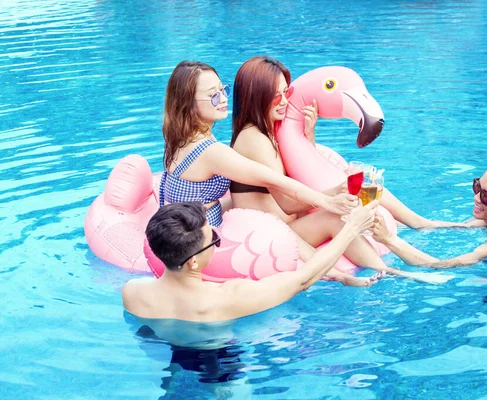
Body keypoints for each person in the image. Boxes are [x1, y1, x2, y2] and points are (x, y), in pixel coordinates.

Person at [230, 56, 452, 285]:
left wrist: (308, 136)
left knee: (362, 186)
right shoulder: (253, 139)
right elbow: (286, 203)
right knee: (335, 218)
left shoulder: (268, 133)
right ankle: (392, 271)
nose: (285, 101)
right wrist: (334, 193)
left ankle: (419, 223)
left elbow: (298, 175)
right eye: (277, 96)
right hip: (274, 233)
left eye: (287, 92)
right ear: (256, 97)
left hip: (290, 221)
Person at [159, 60, 382, 287]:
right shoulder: (212, 151)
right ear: (188, 104)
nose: (224, 100)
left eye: (222, 90)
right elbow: (273, 179)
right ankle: (350, 274)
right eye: (213, 96)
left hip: (191, 220)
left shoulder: (179, 137)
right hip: (199, 239)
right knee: (294, 223)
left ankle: (341, 273)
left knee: (271, 217)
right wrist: (326, 199)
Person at [121, 201, 380, 322]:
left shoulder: (133, 292)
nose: (217, 241)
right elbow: (304, 279)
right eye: (215, 241)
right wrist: (351, 228)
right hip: (221, 370)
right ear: (193, 263)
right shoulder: (227, 298)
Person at [372, 155, 487, 272]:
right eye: (478, 186)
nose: (477, 198)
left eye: (486, 196)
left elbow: (438, 265)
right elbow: (470, 225)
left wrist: (389, 239)